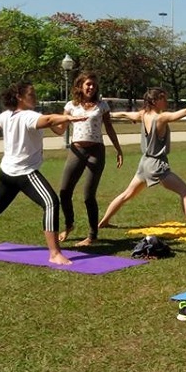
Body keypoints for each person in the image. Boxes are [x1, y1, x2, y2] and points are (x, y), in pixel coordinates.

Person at [0, 82, 86, 265]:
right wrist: (69, 119)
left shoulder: (7, 116)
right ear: (19, 97)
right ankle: (55, 253)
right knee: (51, 202)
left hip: (6, 172)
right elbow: (48, 120)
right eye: (31, 94)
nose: (35, 97)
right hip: (25, 173)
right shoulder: (29, 116)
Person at [97, 87, 186, 241]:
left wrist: (104, 114)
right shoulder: (160, 118)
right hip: (156, 165)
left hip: (145, 163)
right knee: (185, 191)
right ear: (155, 101)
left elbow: (123, 114)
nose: (166, 101)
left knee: (127, 194)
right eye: (163, 98)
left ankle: (103, 222)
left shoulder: (142, 115)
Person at [57, 72, 124, 246]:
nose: (91, 87)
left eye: (94, 85)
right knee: (64, 191)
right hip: (76, 151)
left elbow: (109, 128)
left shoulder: (102, 106)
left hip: (96, 151)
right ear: (80, 86)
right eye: (88, 84)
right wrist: (43, 124)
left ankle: (92, 235)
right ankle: (69, 224)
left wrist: (118, 149)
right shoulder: (71, 105)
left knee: (88, 196)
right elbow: (60, 128)